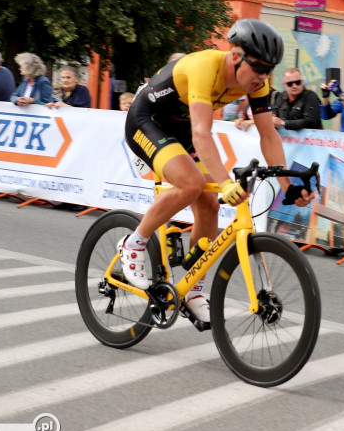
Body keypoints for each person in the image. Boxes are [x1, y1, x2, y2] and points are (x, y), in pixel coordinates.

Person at [121, 18, 313, 323]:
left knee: (209, 205)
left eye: (270, 70)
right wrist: (225, 183)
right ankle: (134, 244)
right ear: (236, 56)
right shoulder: (204, 67)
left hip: (181, 126)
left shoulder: (258, 83)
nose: (264, 76)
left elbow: (268, 135)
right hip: (148, 119)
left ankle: (193, 290)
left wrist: (288, 185)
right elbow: (202, 134)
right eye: (260, 67)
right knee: (191, 183)